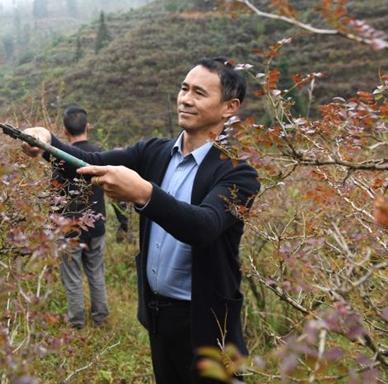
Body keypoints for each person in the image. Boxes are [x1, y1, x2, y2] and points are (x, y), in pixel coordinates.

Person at [21, 57, 260, 384]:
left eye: (199, 93)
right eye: (183, 88)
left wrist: (145, 194)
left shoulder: (237, 173)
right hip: (159, 317)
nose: (186, 99)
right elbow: (90, 161)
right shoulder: (155, 153)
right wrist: (47, 140)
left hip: (207, 323)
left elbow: (203, 226)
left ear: (229, 107)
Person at [51, 105, 109, 329]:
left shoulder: (60, 159)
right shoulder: (101, 155)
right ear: (88, 126)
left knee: (72, 277)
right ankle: (100, 319)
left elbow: (54, 196)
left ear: (65, 131)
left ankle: (76, 324)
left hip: (69, 231)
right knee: (96, 274)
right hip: (96, 228)